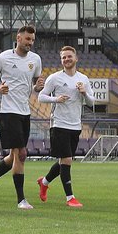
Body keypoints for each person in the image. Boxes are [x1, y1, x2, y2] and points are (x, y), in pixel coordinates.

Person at [0, 25, 44, 210]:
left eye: (32, 40)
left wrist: (39, 86)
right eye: (27, 39)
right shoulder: (3, 58)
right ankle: (21, 200)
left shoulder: (35, 59)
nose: (30, 43)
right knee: (21, 154)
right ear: (18, 38)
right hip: (8, 112)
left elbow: (36, 86)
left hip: (25, 112)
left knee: (14, 156)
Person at [36, 46, 93, 208]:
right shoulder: (54, 78)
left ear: (76, 58)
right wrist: (56, 99)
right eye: (64, 58)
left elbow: (91, 102)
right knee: (66, 160)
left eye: (69, 57)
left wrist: (84, 93)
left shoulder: (83, 79)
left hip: (75, 125)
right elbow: (41, 96)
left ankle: (44, 182)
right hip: (59, 124)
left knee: (64, 160)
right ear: (61, 61)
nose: (67, 59)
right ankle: (70, 198)